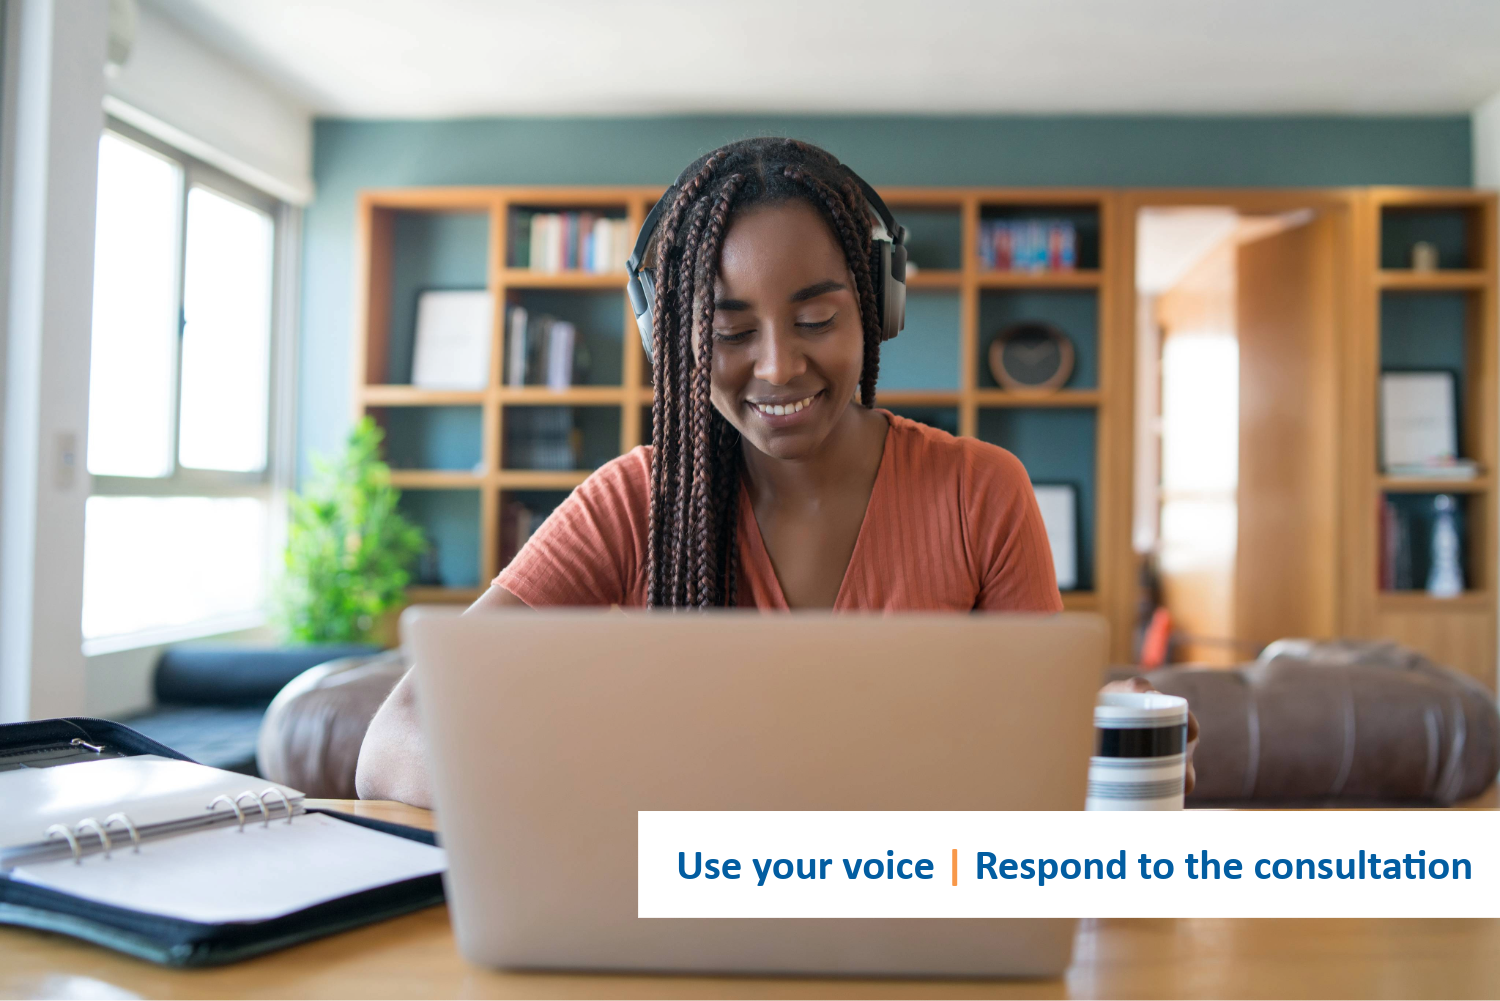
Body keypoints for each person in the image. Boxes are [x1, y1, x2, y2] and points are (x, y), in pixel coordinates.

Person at [356, 138, 1194, 805]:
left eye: (817, 317)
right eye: (730, 332)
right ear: (673, 339)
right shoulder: (632, 502)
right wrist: (591, 797)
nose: (778, 367)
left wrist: (1100, 769)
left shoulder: (982, 492)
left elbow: (1032, 765)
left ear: (878, 309)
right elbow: (395, 738)